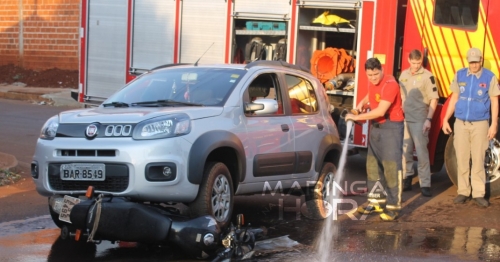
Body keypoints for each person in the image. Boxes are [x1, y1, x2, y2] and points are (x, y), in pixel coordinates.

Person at [345, 57, 405, 221]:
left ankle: (393, 207)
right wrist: (359, 106)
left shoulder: (391, 84)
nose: (373, 78)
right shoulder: (373, 82)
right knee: (373, 165)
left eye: (376, 74)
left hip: (391, 128)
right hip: (376, 128)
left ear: (382, 70)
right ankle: (376, 201)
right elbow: (369, 95)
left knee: (391, 168)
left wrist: (356, 117)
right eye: (369, 75)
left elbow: (380, 111)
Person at [442, 47, 500, 208]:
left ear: (481, 60)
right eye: (471, 62)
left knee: (478, 159)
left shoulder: (489, 77)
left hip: (480, 124)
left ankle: (479, 194)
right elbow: (454, 98)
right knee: (461, 158)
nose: (474, 65)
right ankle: (463, 191)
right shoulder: (460, 75)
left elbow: (494, 101)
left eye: (476, 62)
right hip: (461, 123)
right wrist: (446, 119)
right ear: (468, 61)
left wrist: (493, 124)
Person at [399, 49, 439, 197]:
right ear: (409, 60)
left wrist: (428, 120)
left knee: (422, 153)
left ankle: (425, 183)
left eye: (419, 63)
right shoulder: (404, 74)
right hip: (405, 118)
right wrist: (402, 105)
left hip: (420, 119)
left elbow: (434, 99)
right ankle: (407, 178)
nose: (416, 66)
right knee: (405, 151)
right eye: (414, 63)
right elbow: (402, 93)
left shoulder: (428, 77)